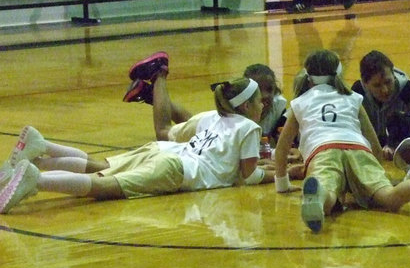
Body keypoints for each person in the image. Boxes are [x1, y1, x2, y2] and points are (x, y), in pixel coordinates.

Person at [1, 77, 280, 214]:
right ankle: (37, 180)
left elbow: (171, 132)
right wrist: (282, 174)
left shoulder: (213, 116)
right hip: (176, 168)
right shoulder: (250, 127)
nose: (263, 105)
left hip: (166, 153)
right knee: (101, 186)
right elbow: (249, 175)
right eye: (259, 101)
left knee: (101, 169)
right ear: (246, 105)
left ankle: (39, 156)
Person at [273, 49, 410, 233]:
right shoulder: (353, 98)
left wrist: (282, 184)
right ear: (339, 74)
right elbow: (373, 141)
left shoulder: (300, 102)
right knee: (388, 197)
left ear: (309, 78)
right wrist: (378, 172)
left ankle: (318, 194)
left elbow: (282, 148)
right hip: (358, 148)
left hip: (323, 150)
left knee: (330, 196)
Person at [123, 52, 289, 145]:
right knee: (163, 133)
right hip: (207, 126)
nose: (266, 96)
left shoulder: (280, 106)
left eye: (270, 89)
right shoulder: (242, 107)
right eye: (261, 90)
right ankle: (159, 72)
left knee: (189, 121)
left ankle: (152, 95)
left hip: (206, 124)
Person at [351, 50, 410, 159]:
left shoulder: (407, 91)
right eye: (377, 85)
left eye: (388, 82)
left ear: (393, 74)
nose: (385, 90)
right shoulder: (358, 93)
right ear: (365, 84)